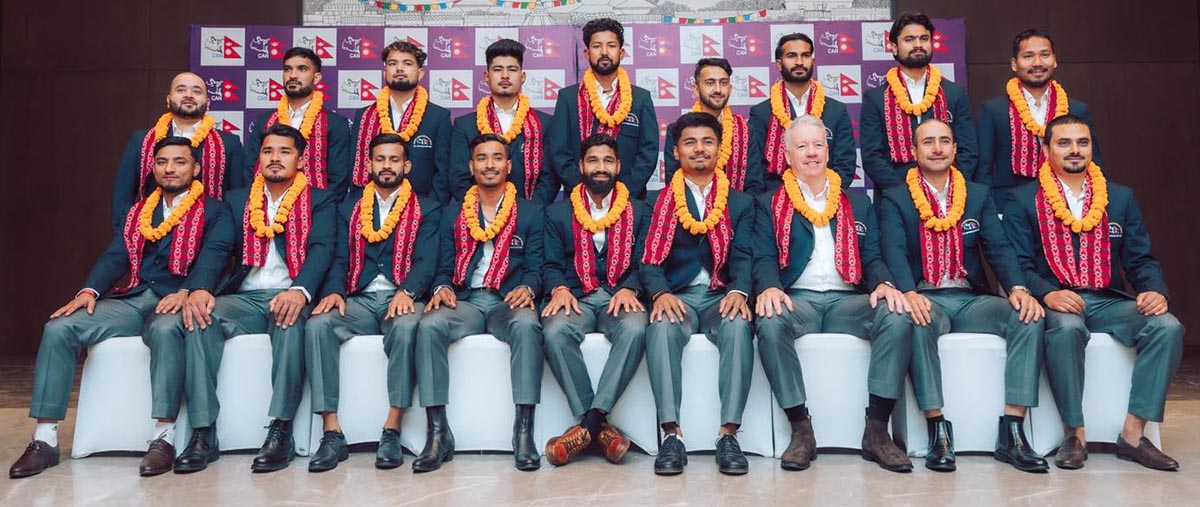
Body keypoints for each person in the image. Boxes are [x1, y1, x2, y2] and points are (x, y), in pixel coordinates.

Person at [9, 137, 231, 479]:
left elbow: (215, 255)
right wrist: (89, 290)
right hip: (135, 298)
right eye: (162, 162)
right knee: (59, 327)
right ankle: (45, 439)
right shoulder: (139, 211)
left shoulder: (216, 210)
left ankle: (164, 437)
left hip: (177, 300)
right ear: (153, 168)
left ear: (196, 168)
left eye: (179, 161)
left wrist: (189, 290)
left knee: (165, 330)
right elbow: (117, 255)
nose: (170, 168)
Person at [1002, 115, 1183, 471]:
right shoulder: (1022, 200)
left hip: (1107, 299)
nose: (1074, 150)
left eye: (1082, 142)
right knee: (1068, 328)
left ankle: (1133, 434)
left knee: (1167, 327)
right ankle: (1075, 434)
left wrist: (1154, 290)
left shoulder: (1119, 197)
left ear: (1091, 148)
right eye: (1064, 143)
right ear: (1046, 149)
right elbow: (1019, 264)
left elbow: (1140, 259)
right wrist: (1047, 293)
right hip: (1057, 301)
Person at [878, 118, 1048, 473]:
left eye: (944, 141)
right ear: (914, 151)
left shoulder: (977, 194)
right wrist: (908, 292)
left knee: (1027, 316)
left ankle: (1013, 430)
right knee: (917, 320)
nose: (937, 148)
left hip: (970, 296)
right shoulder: (896, 197)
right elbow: (893, 250)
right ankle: (937, 429)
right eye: (928, 142)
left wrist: (1018, 288)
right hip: (926, 295)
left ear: (955, 149)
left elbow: (999, 248)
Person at [753, 116, 914, 473]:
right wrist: (769, 286)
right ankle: (801, 430)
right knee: (769, 319)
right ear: (788, 155)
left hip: (848, 300)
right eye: (802, 146)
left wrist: (884, 283)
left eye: (818, 145)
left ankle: (877, 431)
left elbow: (873, 256)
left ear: (828, 151)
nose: (811, 153)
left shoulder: (857, 202)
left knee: (897, 313)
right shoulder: (768, 203)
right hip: (798, 299)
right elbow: (763, 256)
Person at [178, 124, 336, 474]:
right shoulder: (237, 200)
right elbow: (217, 247)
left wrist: (300, 290)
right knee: (200, 317)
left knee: (288, 319)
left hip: (291, 292)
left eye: (284, 151)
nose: (275, 158)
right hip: (245, 296)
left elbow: (322, 249)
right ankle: (203, 431)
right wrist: (200, 287)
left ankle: (281, 429)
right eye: (268, 151)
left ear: (300, 159)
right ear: (259, 158)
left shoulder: (320, 199)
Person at [303, 133, 441, 472]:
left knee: (408, 326)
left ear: (407, 166)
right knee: (318, 324)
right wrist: (334, 291)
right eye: (380, 159)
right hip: (358, 298)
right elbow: (338, 258)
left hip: (402, 296)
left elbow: (427, 261)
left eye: (394, 159)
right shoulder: (348, 207)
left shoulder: (427, 207)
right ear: (368, 164)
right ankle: (331, 432)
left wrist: (408, 292)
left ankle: (392, 428)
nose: (387, 166)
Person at [413, 134, 545, 472]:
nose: (490, 164)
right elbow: (442, 266)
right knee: (429, 325)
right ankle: (438, 433)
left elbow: (537, 267)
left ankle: (523, 432)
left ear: (509, 165)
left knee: (527, 324)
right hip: (466, 301)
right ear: (471, 167)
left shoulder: (531, 212)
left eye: (497, 157)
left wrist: (528, 287)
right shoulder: (452, 213)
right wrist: (442, 286)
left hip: (507, 301)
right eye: (482, 158)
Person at [640, 112, 755, 476]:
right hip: (678, 296)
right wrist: (659, 293)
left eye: (707, 142)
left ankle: (728, 435)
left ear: (720, 149)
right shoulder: (656, 202)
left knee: (739, 326)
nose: (699, 149)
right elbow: (647, 260)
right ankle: (671, 435)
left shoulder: (740, 202)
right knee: (660, 327)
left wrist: (739, 291)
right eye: (690, 142)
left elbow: (745, 256)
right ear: (676, 151)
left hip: (721, 295)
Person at [540, 133, 649, 467]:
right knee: (555, 331)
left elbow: (648, 260)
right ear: (580, 166)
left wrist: (631, 287)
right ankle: (600, 430)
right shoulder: (557, 213)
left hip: (622, 295)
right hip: (577, 296)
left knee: (635, 328)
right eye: (593, 160)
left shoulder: (641, 211)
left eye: (607, 161)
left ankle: (589, 424)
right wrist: (559, 288)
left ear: (618, 166)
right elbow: (549, 264)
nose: (601, 167)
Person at [860, 12, 977, 196]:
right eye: (909, 39)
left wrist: (946, 189)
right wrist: (905, 194)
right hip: (895, 197)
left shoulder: (954, 94)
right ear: (894, 47)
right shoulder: (875, 99)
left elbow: (968, 151)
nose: (918, 45)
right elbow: (872, 157)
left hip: (948, 195)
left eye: (924, 38)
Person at [112, 72, 247, 230]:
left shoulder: (229, 144)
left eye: (196, 91)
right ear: (168, 99)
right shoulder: (141, 141)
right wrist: (124, 235)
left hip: (210, 234)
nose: (188, 95)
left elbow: (236, 199)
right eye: (181, 90)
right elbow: (123, 198)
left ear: (208, 103)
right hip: (150, 233)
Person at [547, 18, 658, 199]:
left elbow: (648, 153)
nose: (604, 52)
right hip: (579, 200)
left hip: (629, 199)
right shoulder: (568, 98)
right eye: (597, 46)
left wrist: (623, 193)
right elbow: (559, 153)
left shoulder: (640, 98)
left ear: (621, 53)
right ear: (586, 53)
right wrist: (585, 193)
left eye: (611, 46)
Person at [449, 39, 556, 203]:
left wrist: (532, 212)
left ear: (522, 76)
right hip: (479, 214)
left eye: (512, 69)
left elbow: (550, 178)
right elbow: (459, 179)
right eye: (498, 69)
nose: (505, 76)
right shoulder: (465, 125)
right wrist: (484, 211)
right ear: (486, 76)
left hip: (533, 214)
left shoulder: (545, 124)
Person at [748, 33, 857, 193]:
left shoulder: (836, 110)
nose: (799, 62)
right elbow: (756, 169)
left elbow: (845, 164)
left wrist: (822, 195)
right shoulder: (761, 113)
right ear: (779, 64)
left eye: (805, 55)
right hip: (776, 201)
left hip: (826, 199)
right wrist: (780, 200)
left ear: (813, 61)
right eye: (791, 56)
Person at [350, 40, 452, 201]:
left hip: (423, 207)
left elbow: (443, 173)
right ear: (385, 72)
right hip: (371, 206)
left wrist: (431, 208)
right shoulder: (364, 116)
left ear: (420, 73)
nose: (399, 68)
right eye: (392, 63)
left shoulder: (438, 117)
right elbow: (353, 167)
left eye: (407, 64)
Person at [245, 46, 352, 197]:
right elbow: (250, 170)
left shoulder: (335, 123)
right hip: (265, 205)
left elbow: (339, 178)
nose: (293, 75)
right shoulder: (264, 121)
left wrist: (323, 206)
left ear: (316, 77)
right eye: (287, 69)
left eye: (302, 69)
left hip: (315, 206)